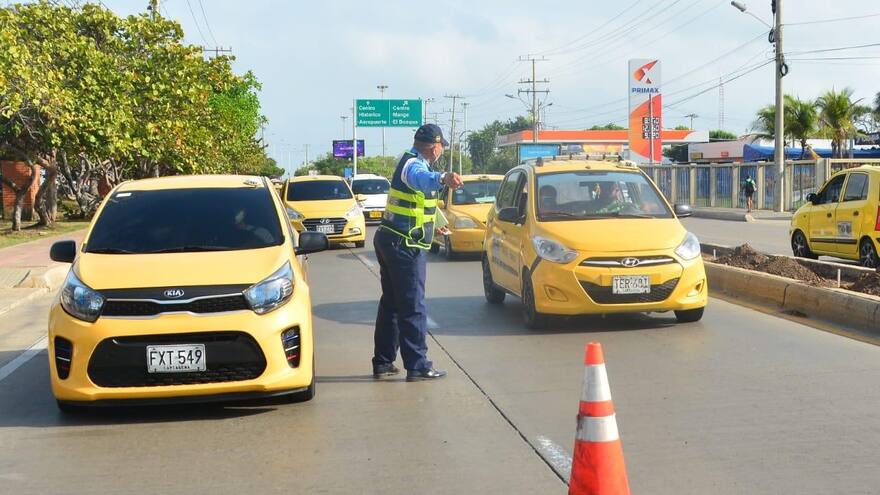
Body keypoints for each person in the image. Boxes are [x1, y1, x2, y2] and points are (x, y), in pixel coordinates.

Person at [372, 124, 463, 382]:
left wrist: (436, 226)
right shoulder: (415, 165)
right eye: (442, 146)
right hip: (404, 246)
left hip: (390, 239)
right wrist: (444, 178)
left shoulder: (412, 162)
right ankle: (418, 365)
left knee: (391, 304)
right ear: (435, 146)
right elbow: (420, 180)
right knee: (412, 306)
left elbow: (415, 204)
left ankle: (383, 361)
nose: (442, 151)